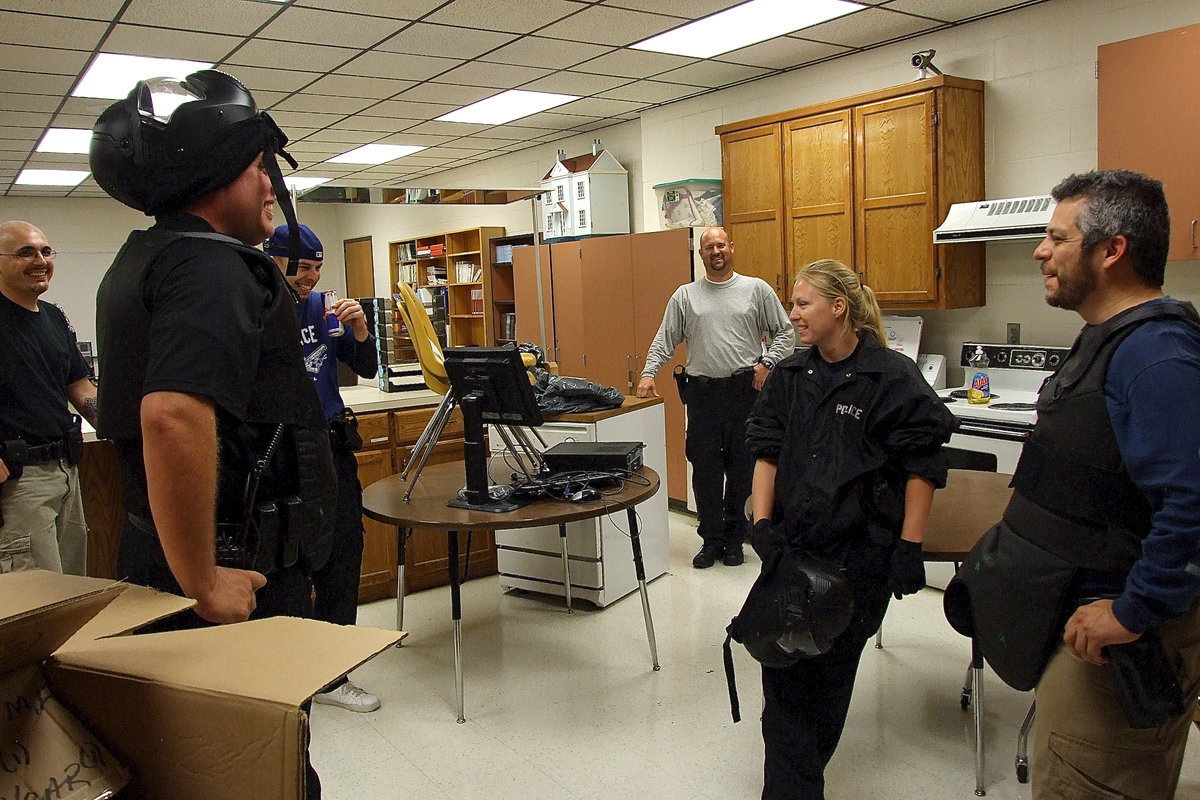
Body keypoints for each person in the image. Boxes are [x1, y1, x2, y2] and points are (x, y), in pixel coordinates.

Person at [91, 70, 335, 797]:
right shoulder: (212, 267)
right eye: (258, 165)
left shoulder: (149, 257)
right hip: (229, 573)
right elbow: (172, 414)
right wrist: (204, 579)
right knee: (258, 768)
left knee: (188, 762)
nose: (270, 185)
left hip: (172, 557)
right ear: (213, 171)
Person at [964, 170, 1200, 799]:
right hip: (1071, 614)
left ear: (1111, 250)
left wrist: (1133, 610)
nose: (1041, 251)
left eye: (1056, 238)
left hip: (1116, 638)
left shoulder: (1158, 355)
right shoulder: (1106, 341)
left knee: (1089, 781)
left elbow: (1191, 504)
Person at [745, 259, 955, 800]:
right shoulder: (790, 377)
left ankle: (797, 781)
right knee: (784, 675)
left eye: (802, 304)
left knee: (831, 684)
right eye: (792, 304)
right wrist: (763, 524)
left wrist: (910, 546)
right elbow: (766, 452)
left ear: (839, 307)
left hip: (861, 561)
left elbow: (921, 467)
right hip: (792, 556)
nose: (792, 315)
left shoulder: (891, 378)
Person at [265, 223, 381, 713]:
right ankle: (290, 673)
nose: (309, 277)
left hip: (332, 446)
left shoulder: (325, 307)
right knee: (286, 566)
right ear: (274, 259)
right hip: (281, 453)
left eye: (316, 267)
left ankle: (334, 674)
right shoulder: (254, 304)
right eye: (300, 267)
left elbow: (368, 367)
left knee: (342, 553)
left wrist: (360, 330)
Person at [637, 226, 794, 569]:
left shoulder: (756, 290)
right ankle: (711, 541)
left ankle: (736, 540)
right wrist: (648, 373)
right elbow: (665, 339)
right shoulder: (685, 296)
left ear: (731, 247)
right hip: (703, 397)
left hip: (745, 395)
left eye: (721, 245)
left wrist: (768, 363)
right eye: (709, 247)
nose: (716, 251)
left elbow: (786, 332)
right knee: (705, 472)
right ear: (702, 254)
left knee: (742, 470)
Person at [0, 221, 97, 574]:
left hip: (66, 470)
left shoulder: (54, 318)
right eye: (25, 252)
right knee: (36, 600)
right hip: (18, 482)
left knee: (72, 587)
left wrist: (125, 429)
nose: (39, 260)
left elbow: (81, 389)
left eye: (45, 250)